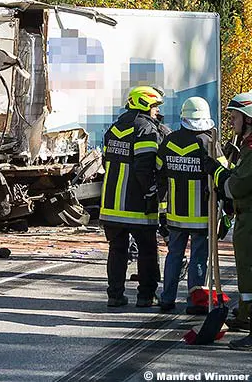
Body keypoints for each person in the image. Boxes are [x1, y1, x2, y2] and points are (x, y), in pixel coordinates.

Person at [100, 85, 165, 308]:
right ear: (145, 104)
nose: (157, 110)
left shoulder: (115, 127)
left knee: (117, 251)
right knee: (147, 251)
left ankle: (115, 295)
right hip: (137, 205)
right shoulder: (145, 129)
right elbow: (144, 167)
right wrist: (151, 193)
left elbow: (106, 162)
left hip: (111, 206)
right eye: (155, 106)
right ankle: (146, 296)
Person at [157, 97, 215, 314]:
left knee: (174, 255)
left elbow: (159, 173)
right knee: (198, 257)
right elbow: (222, 175)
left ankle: (167, 299)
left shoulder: (169, 141)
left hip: (175, 214)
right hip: (202, 215)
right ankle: (195, 302)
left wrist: (162, 210)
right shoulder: (208, 142)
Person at [205, 91, 252, 351]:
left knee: (250, 272)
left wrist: (218, 174)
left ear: (249, 119)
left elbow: (238, 186)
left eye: (235, 116)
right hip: (246, 217)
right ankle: (246, 315)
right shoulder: (246, 147)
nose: (231, 121)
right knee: (246, 271)